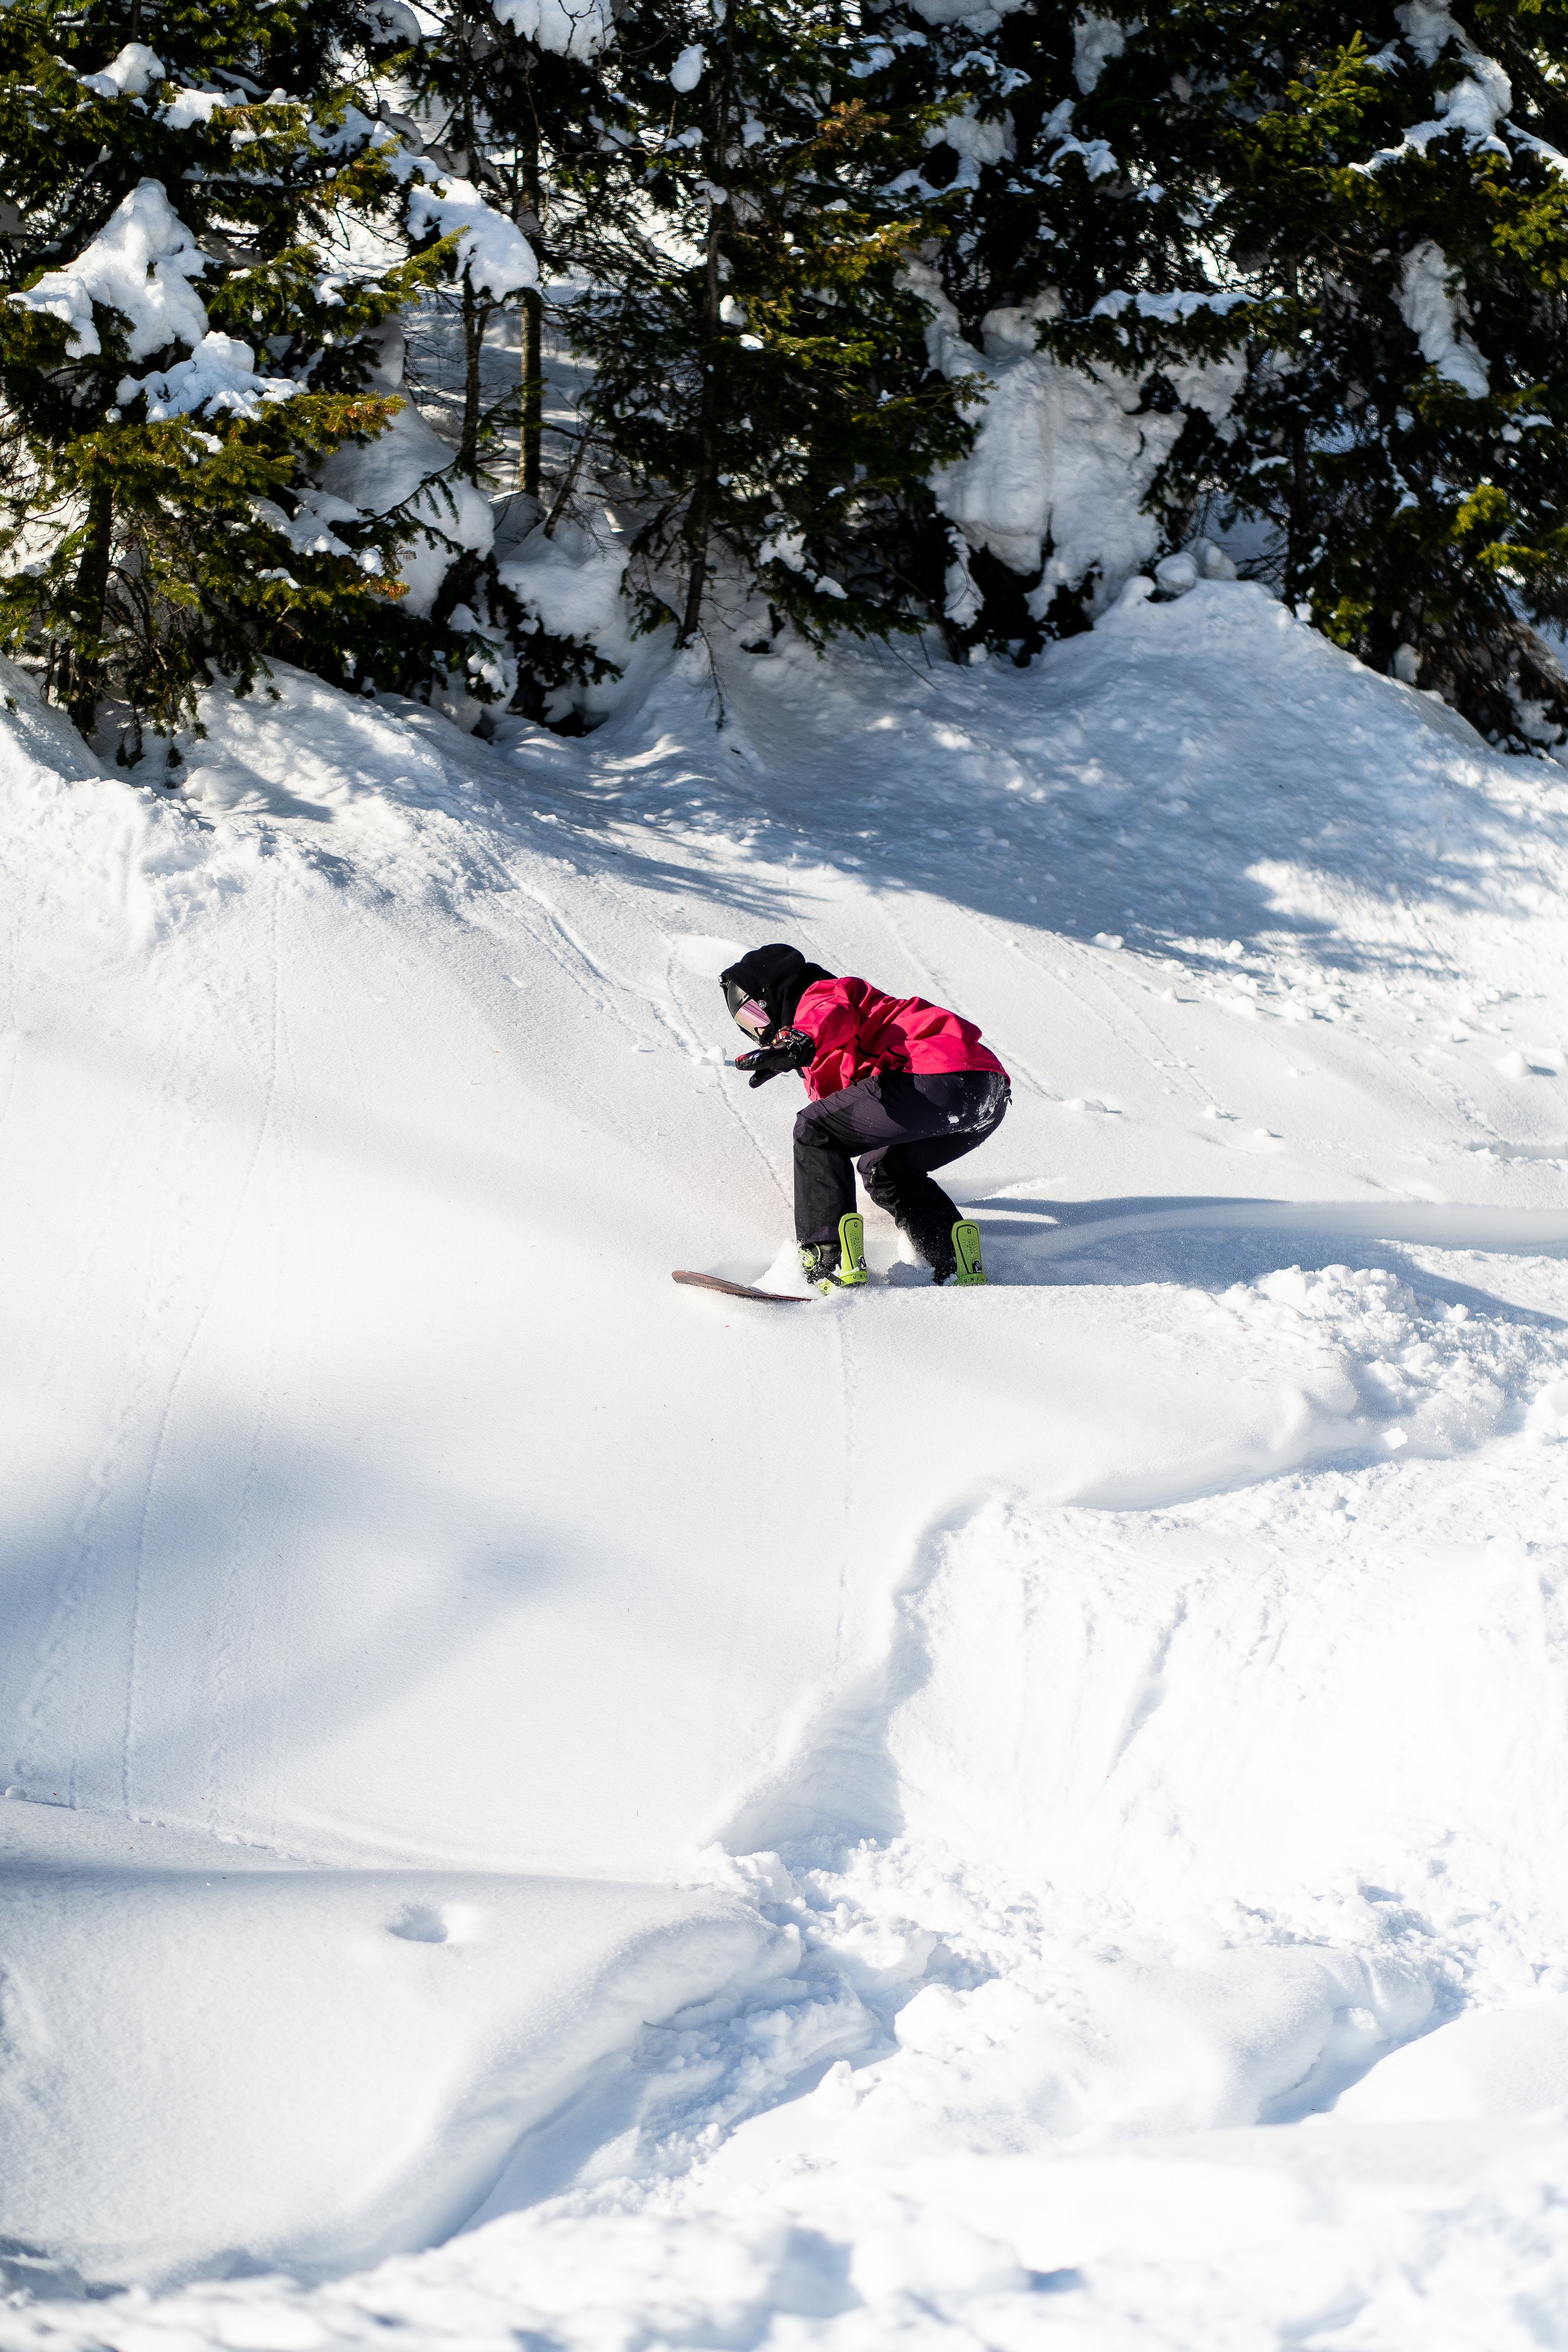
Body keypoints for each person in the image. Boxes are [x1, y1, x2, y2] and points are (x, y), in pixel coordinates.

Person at [718, 943, 1010, 1291]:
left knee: (814, 1130)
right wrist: (796, 1051)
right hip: (986, 1095)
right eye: (746, 1023)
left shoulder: (820, 996)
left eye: (756, 1014)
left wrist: (799, 1041)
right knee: (885, 1170)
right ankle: (951, 1260)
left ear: (776, 995)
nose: (758, 1029)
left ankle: (825, 1261)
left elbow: (831, 1017)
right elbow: (843, 1112)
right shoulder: (819, 1057)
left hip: (933, 1076)